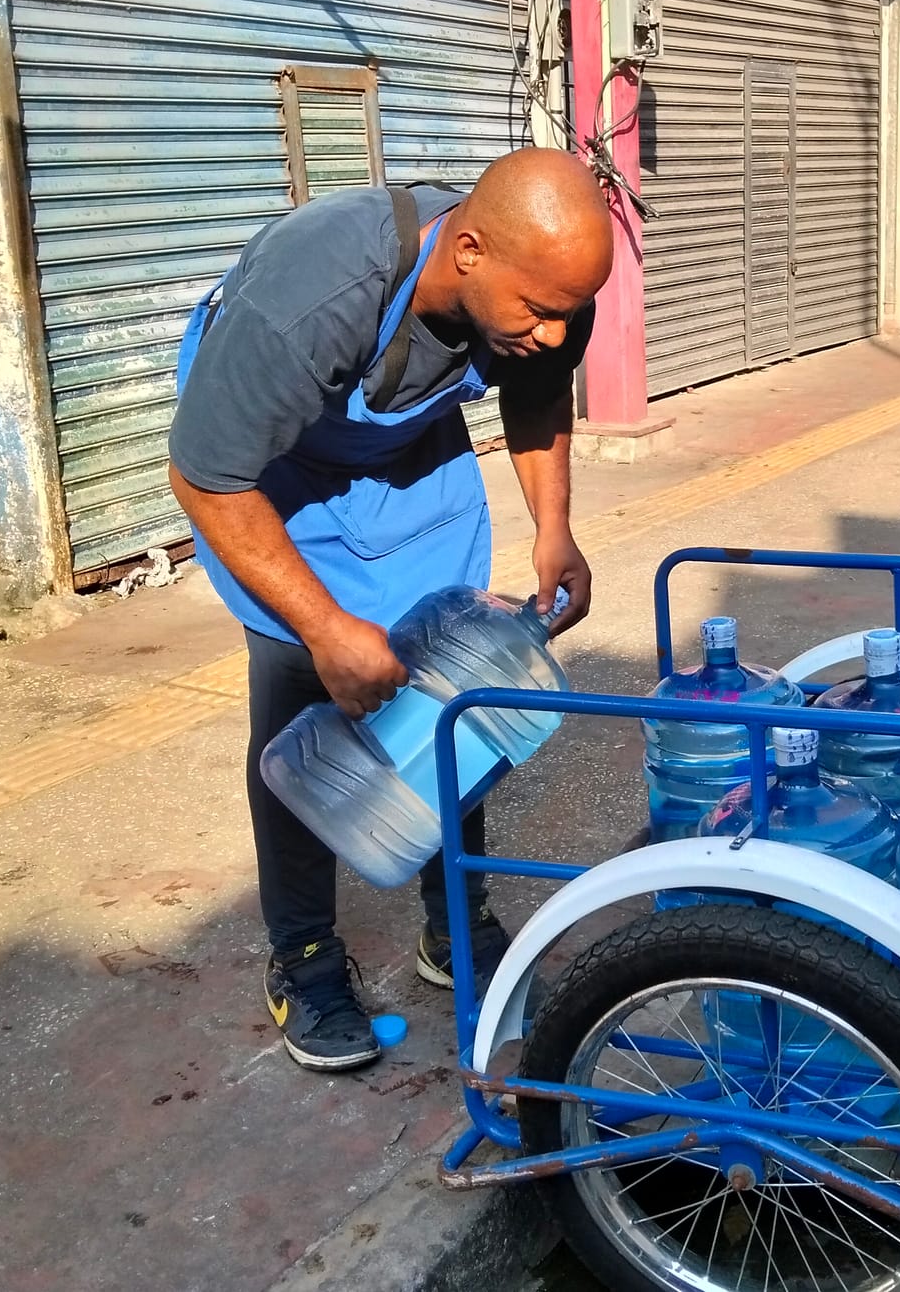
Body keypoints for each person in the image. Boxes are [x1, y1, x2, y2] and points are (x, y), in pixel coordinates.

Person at [169, 148, 614, 1071]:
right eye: (536, 312)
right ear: (468, 251)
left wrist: (555, 528)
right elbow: (208, 473)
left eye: (568, 315)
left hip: (405, 454)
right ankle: (302, 956)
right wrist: (327, 630)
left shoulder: (545, 291)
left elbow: (537, 395)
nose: (551, 332)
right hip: (268, 471)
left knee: (458, 692)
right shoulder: (314, 298)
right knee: (305, 708)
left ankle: (456, 922)